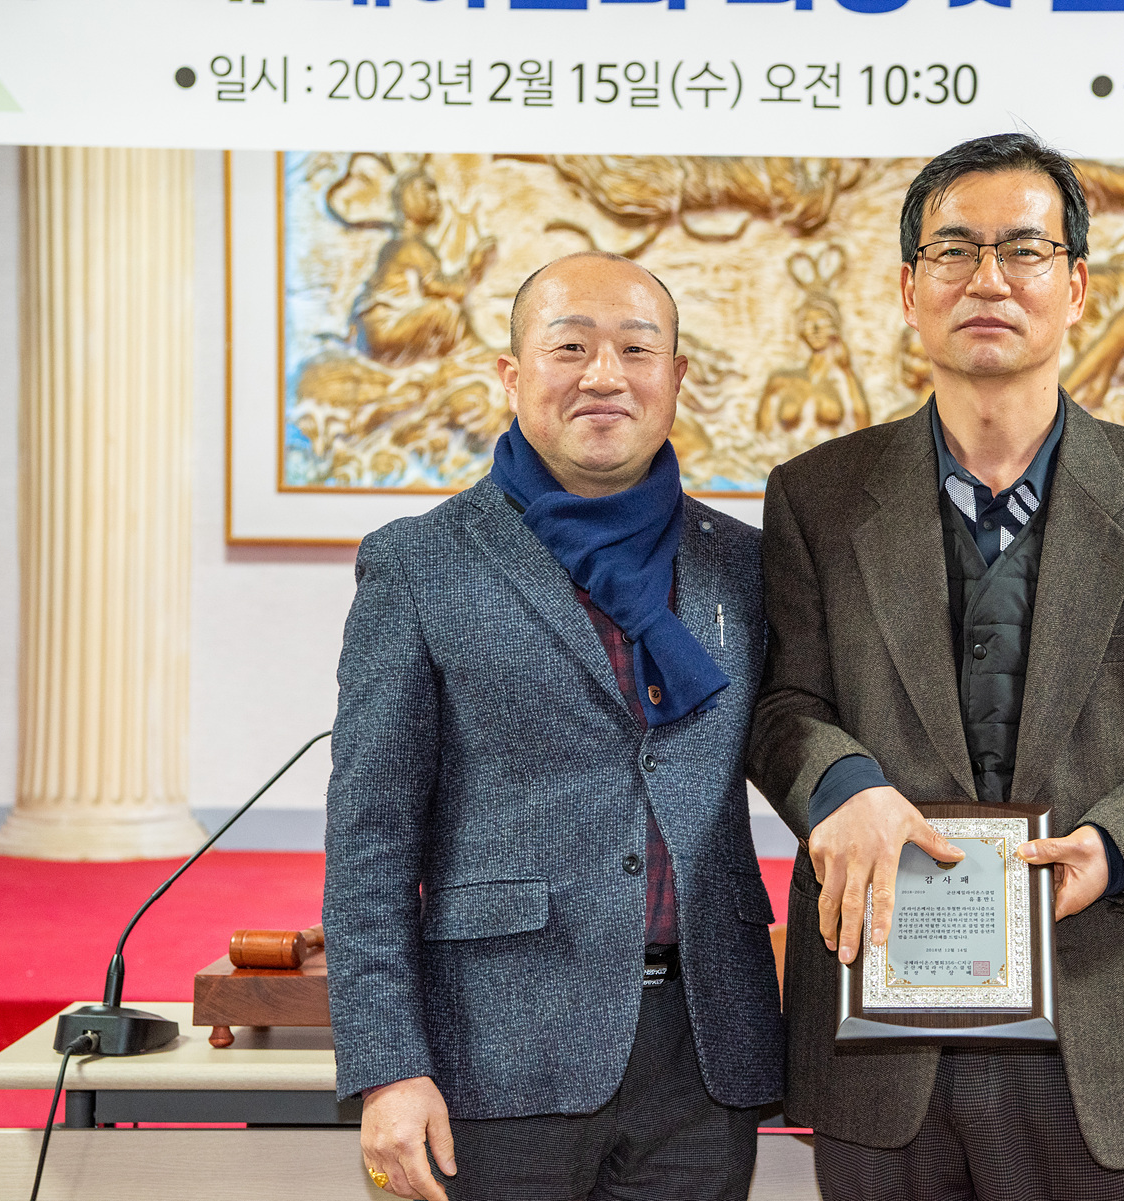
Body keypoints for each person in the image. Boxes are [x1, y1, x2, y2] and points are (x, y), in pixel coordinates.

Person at [748, 133, 1124, 1200]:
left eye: (1024, 249)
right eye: (953, 251)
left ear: (1077, 288)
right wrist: (842, 784)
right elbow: (785, 702)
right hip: (886, 1014)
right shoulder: (816, 497)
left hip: (1102, 1004)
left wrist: (1122, 845)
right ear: (909, 290)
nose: (988, 279)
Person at [324, 251, 782, 1201]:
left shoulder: (745, 564)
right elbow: (370, 838)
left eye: (636, 350)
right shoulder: (419, 564)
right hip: (499, 1051)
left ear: (676, 378)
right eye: (570, 347)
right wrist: (387, 1065)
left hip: (705, 1051)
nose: (604, 375)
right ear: (512, 374)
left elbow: (798, 733)